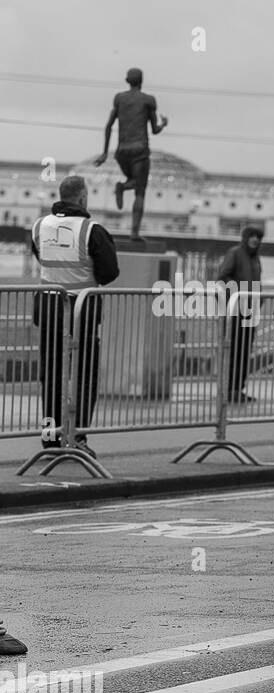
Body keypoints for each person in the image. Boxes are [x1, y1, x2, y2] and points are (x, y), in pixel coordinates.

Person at [30, 175, 120, 456]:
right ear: (82, 197)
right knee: (84, 377)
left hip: (48, 310)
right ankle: (77, 437)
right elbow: (109, 272)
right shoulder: (91, 230)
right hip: (81, 313)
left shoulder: (39, 226)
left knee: (51, 376)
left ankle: (49, 438)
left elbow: (41, 257)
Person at [93, 68, 168, 241]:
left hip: (122, 152)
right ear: (142, 81)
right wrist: (164, 124)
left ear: (127, 80)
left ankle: (124, 186)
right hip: (140, 151)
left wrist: (105, 153)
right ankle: (134, 232)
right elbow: (155, 130)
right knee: (140, 191)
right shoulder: (148, 100)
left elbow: (108, 126)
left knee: (134, 181)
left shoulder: (119, 99)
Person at [217, 225, 263, 402]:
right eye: (252, 236)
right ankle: (228, 389)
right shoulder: (235, 253)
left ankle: (238, 389)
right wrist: (238, 294)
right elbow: (223, 276)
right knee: (234, 350)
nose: (255, 239)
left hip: (250, 311)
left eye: (258, 237)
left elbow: (257, 282)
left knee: (244, 351)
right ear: (245, 238)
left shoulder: (256, 258)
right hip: (236, 309)